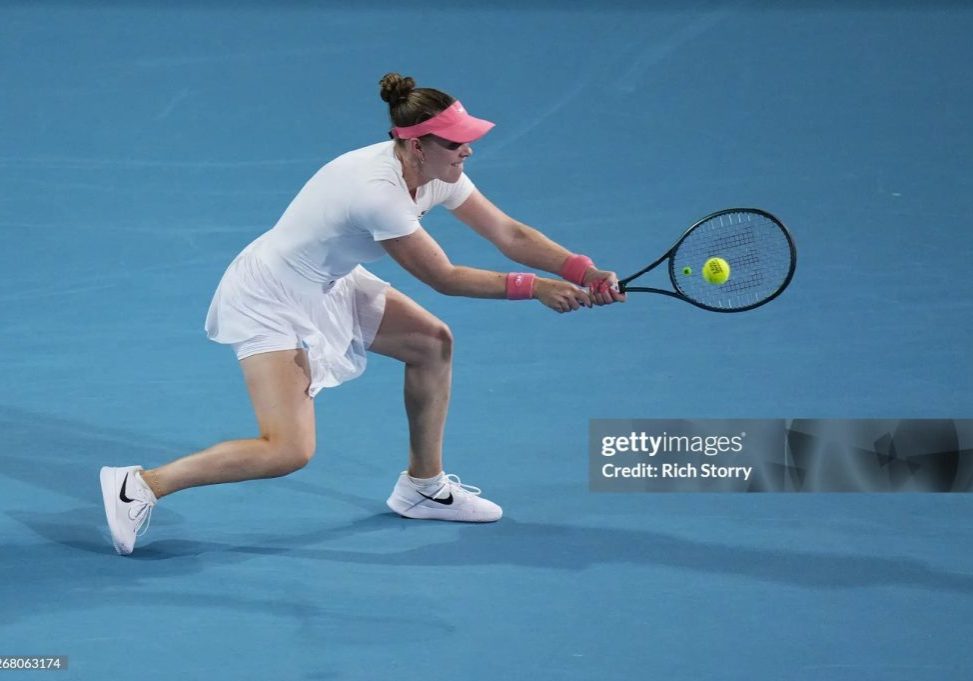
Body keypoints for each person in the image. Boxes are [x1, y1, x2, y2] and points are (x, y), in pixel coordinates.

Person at [99, 72, 625, 556]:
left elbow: (509, 233)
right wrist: (536, 289)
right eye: (455, 141)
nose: (467, 149)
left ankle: (423, 487)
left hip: (327, 280)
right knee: (287, 450)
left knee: (430, 344)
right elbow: (443, 277)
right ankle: (140, 485)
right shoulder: (378, 194)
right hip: (270, 298)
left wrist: (582, 270)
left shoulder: (437, 171)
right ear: (417, 145)